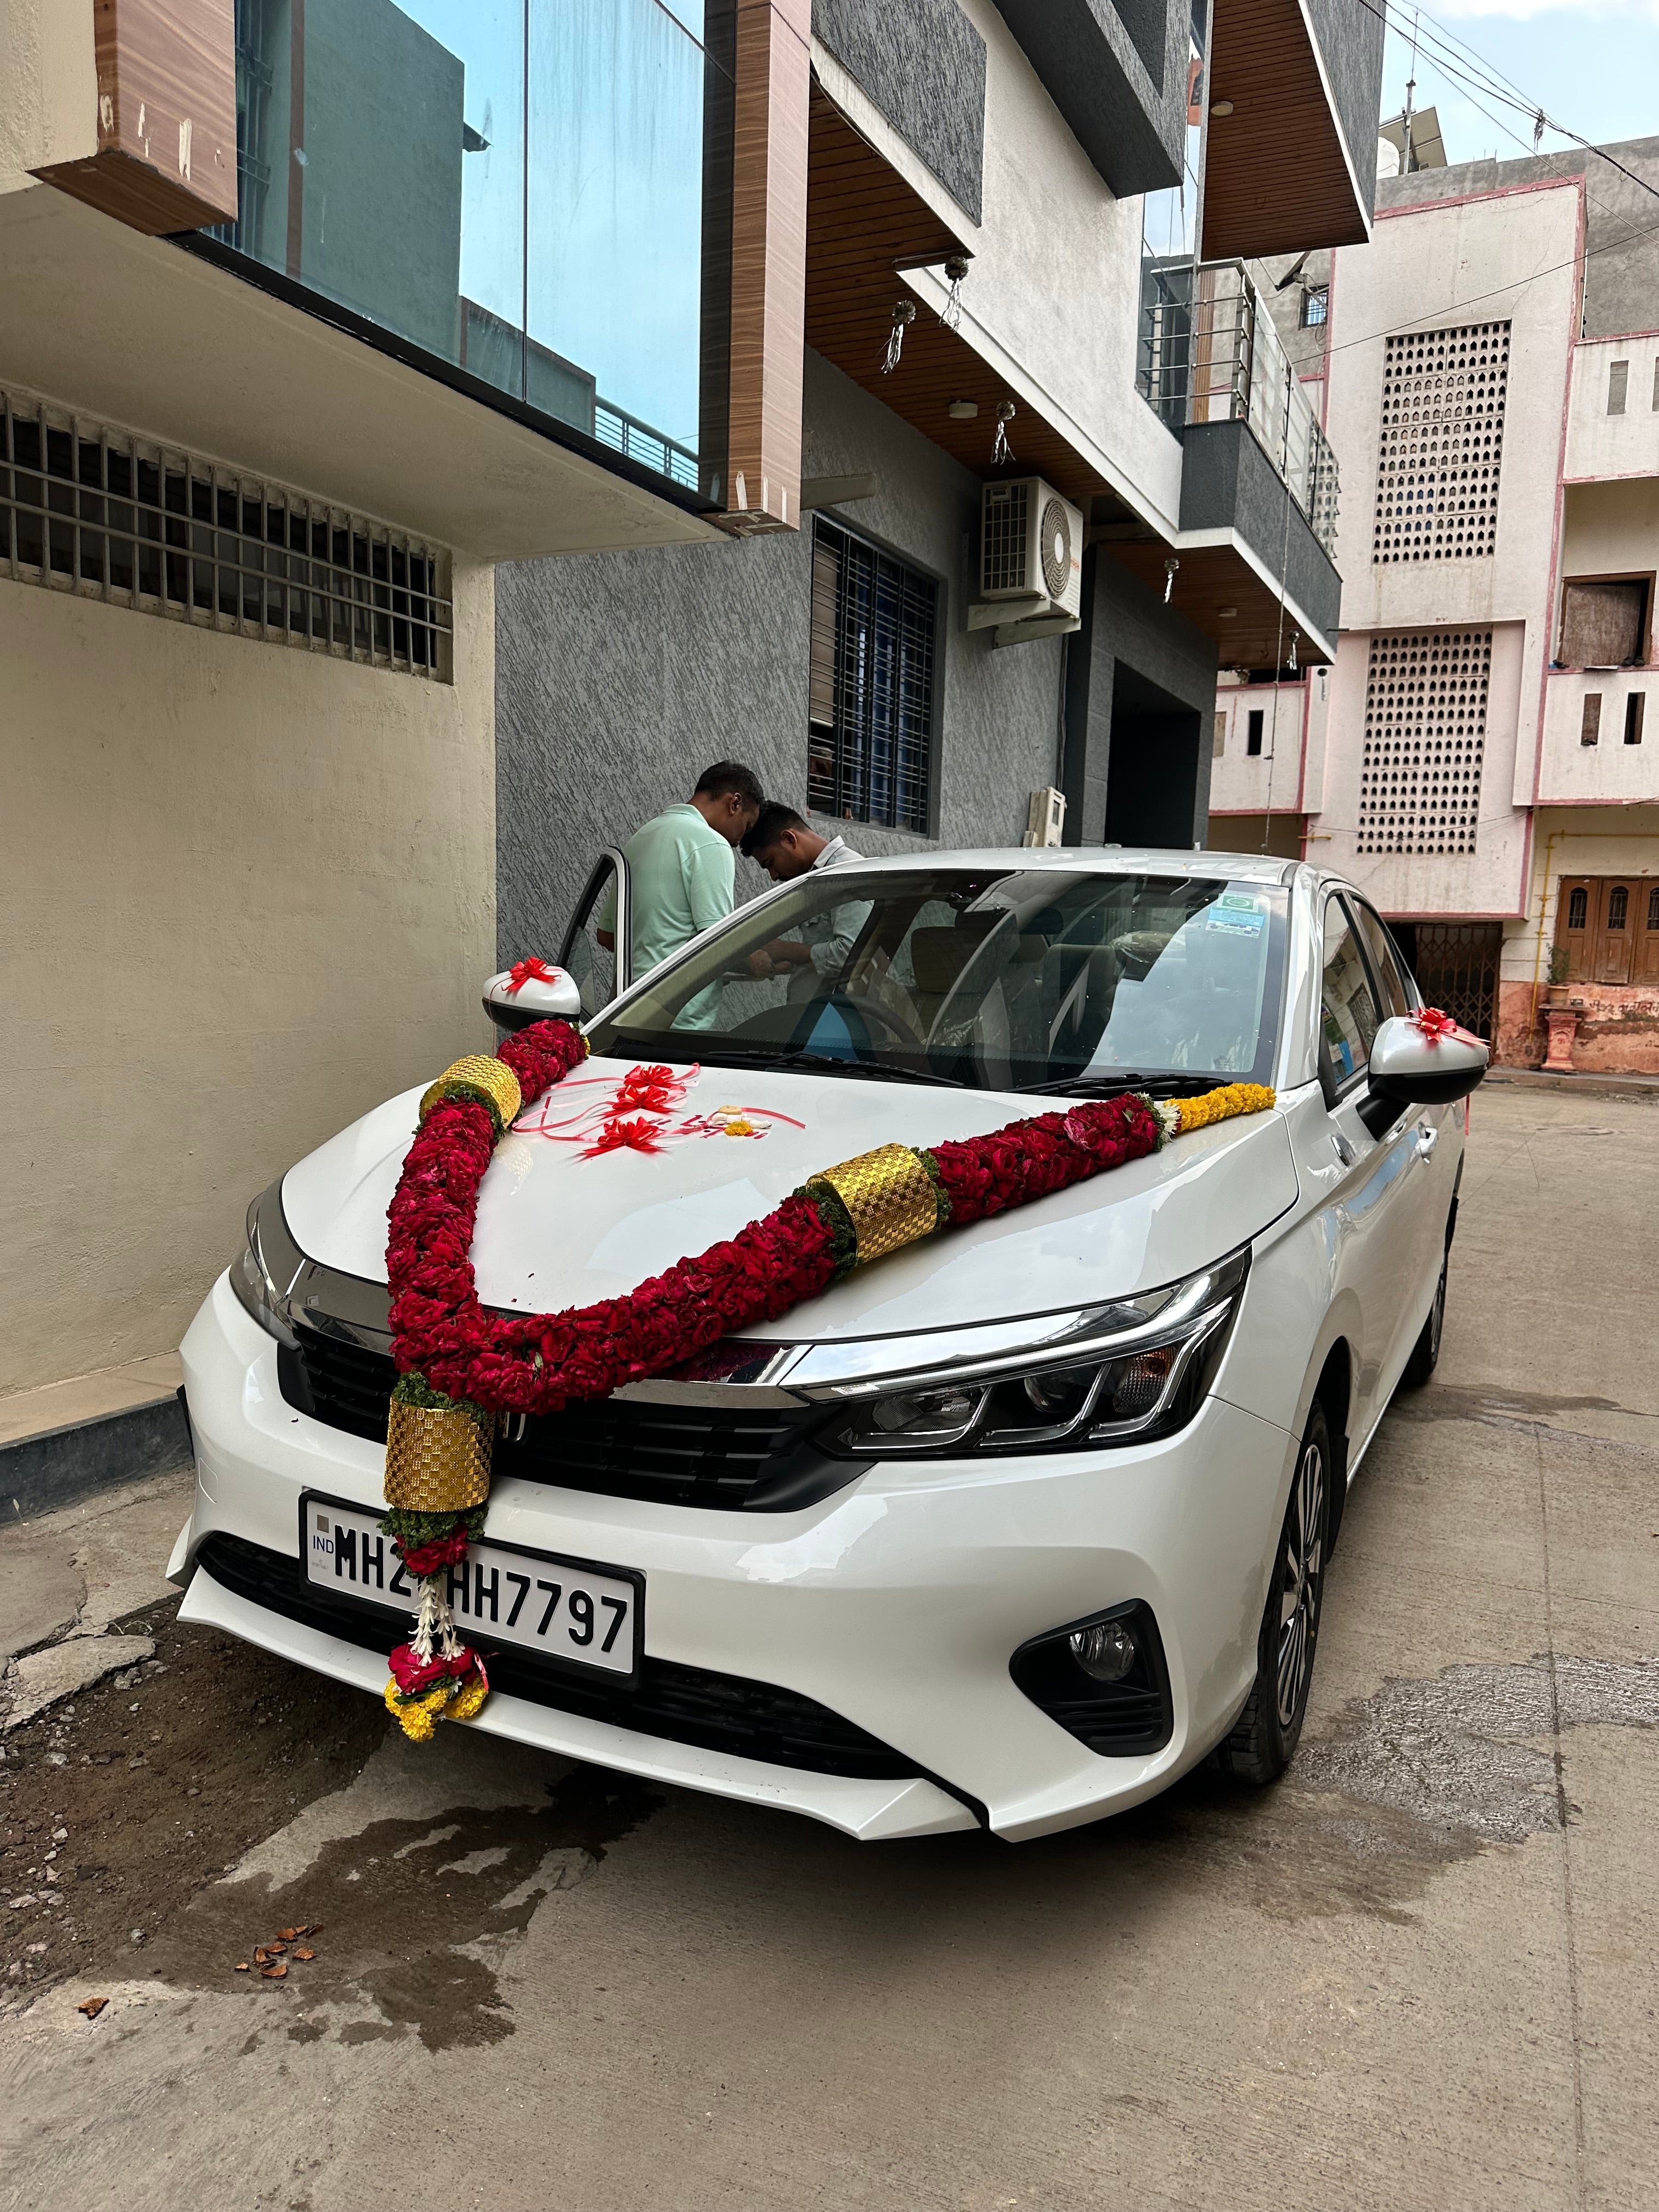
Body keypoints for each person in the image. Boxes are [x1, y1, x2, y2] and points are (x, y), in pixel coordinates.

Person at [600, 761, 764, 978]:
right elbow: (717, 944)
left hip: (628, 995)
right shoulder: (713, 844)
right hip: (675, 999)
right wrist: (754, 964)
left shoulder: (641, 838)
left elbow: (606, 935)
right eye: (747, 826)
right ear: (735, 803)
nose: (739, 841)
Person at [740, 803, 869, 1000]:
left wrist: (786, 950)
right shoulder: (818, 876)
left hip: (832, 1013)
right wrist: (791, 962)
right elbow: (821, 946)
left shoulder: (846, 873)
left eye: (770, 863)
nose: (774, 876)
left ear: (789, 839)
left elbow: (851, 956)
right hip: (810, 1011)